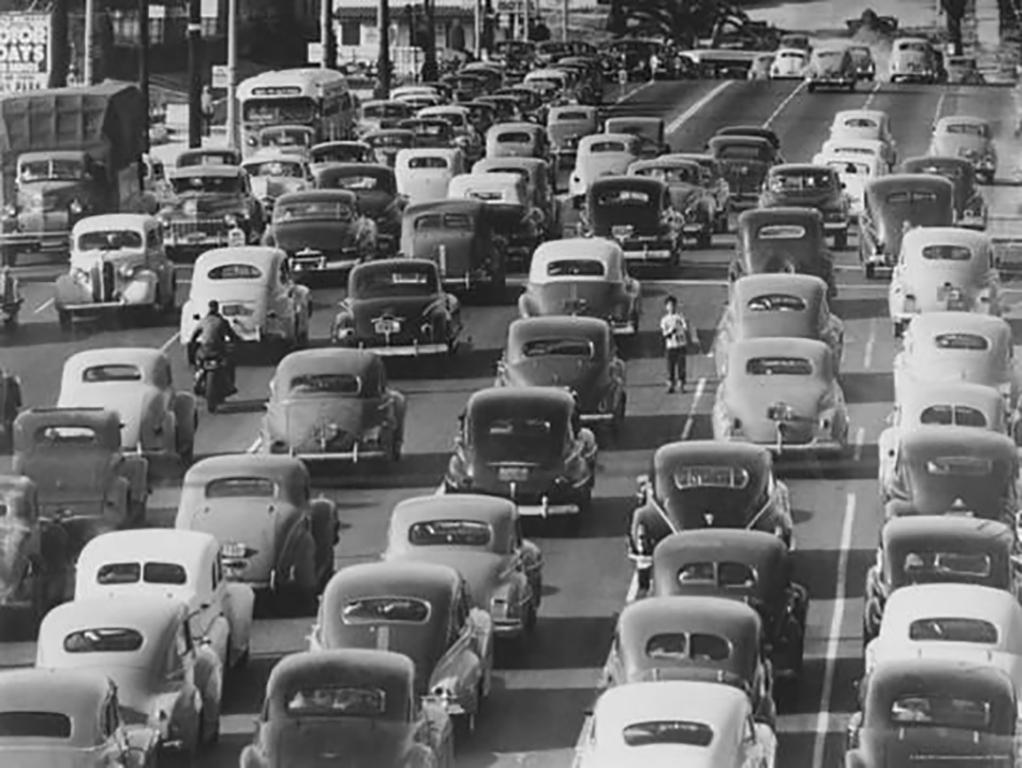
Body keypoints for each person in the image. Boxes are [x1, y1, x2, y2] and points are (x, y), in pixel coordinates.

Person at [187, 300, 240, 395]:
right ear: (217, 308)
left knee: (198, 363)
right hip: (218, 349)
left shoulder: (204, 321)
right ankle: (229, 385)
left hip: (205, 349)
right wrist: (235, 342)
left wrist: (193, 344)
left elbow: (194, 335)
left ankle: (197, 380)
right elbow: (231, 335)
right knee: (230, 363)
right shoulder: (222, 321)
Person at [660, 295, 694, 393]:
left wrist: (682, 324)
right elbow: (664, 333)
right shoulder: (664, 320)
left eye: (673, 305)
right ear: (666, 307)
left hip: (681, 345)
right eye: (669, 305)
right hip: (670, 346)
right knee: (670, 367)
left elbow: (685, 327)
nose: (671, 307)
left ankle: (681, 385)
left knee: (681, 366)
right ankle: (670, 385)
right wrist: (671, 330)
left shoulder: (680, 317)